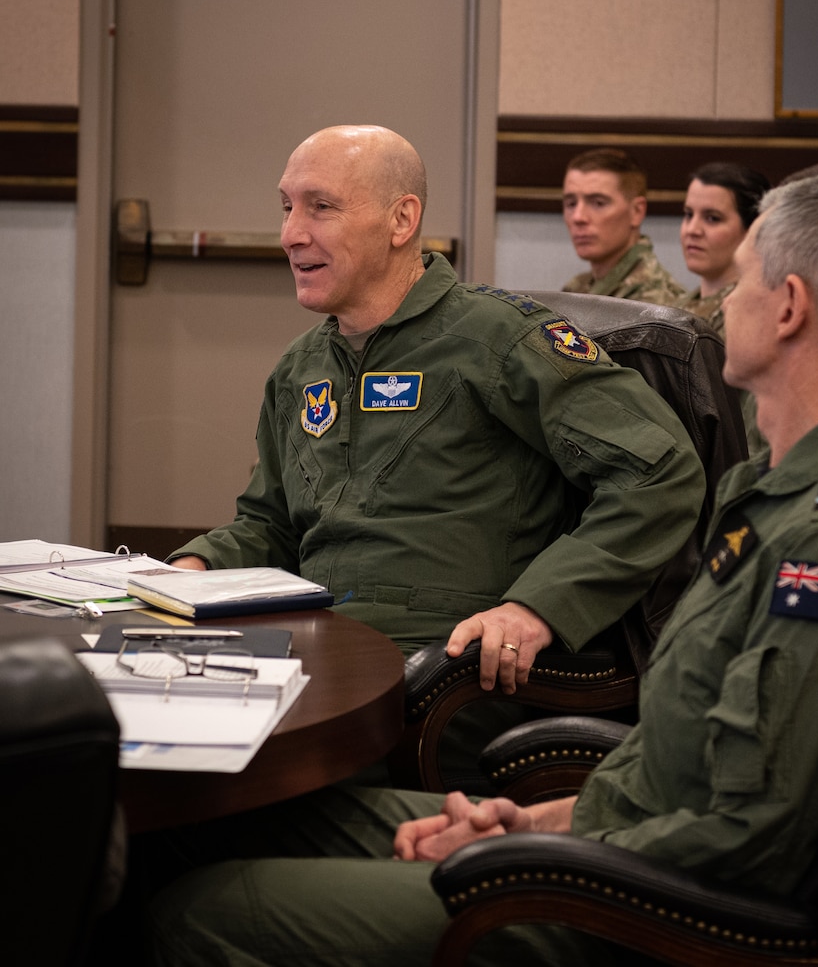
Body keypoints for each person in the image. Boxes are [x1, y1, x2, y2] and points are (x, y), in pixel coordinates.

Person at [148, 172, 818, 967]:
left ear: (789, 307)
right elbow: (677, 759)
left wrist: (535, 859)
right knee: (201, 820)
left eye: (738, 281)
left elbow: (750, 834)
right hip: (595, 839)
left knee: (193, 915)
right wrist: (529, 823)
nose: (718, 305)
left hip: (622, 904)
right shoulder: (776, 497)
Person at [168, 125, 704, 703]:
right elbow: (270, 524)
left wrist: (537, 607)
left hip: (443, 670)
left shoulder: (499, 340)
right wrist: (191, 569)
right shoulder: (301, 367)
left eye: (321, 208)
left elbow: (659, 471)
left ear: (402, 220)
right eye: (287, 208)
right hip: (310, 649)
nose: (291, 234)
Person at [560, 147, 686, 304]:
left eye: (598, 203)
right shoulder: (578, 288)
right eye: (571, 204)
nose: (578, 217)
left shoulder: (655, 302)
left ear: (636, 211)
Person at [675, 161, 770, 338]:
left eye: (712, 218)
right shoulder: (675, 308)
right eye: (688, 214)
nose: (692, 230)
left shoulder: (753, 316)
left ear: (752, 230)